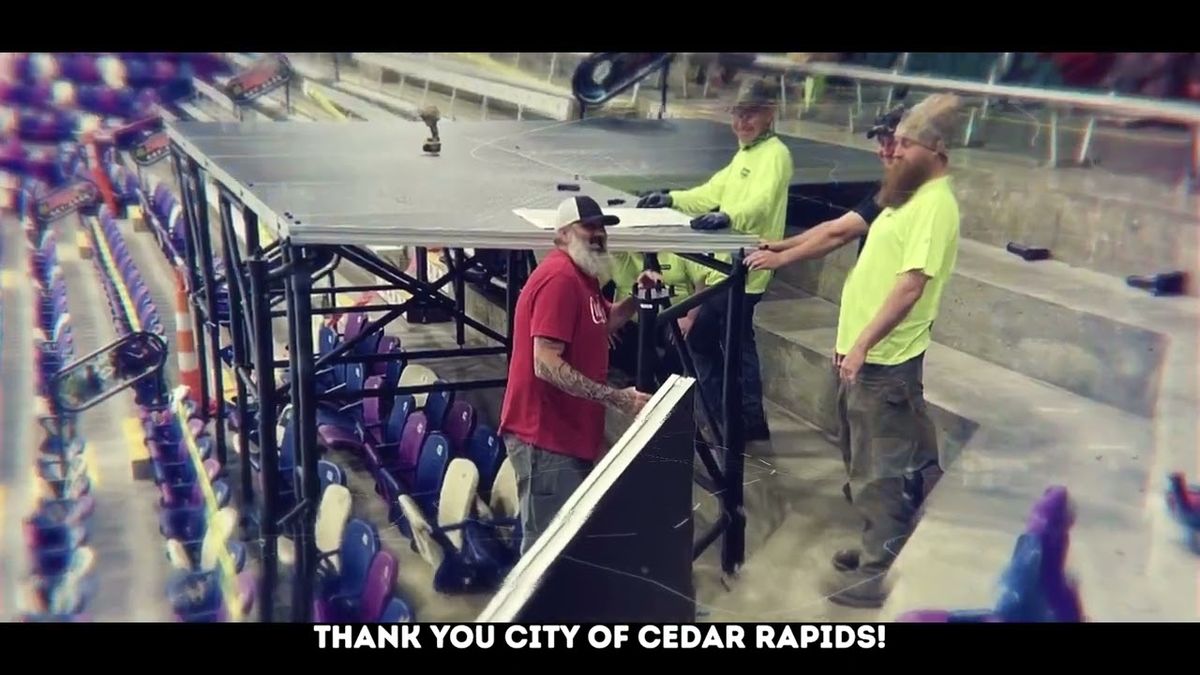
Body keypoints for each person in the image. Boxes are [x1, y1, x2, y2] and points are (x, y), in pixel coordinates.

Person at [746, 92, 962, 608]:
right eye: (890, 144)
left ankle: (877, 568)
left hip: (884, 361)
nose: (889, 152)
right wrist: (784, 250)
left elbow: (911, 286)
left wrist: (863, 343)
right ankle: (878, 542)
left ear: (933, 150)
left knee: (877, 469)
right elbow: (839, 230)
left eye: (901, 144)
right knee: (864, 459)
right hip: (865, 357)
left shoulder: (934, 204)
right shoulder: (902, 195)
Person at [637, 78, 793, 441]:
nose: (742, 122)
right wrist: (671, 198)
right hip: (727, 269)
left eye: (750, 114)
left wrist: (728, 218)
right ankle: (730, 415)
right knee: (717, 343)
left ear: (770, 113)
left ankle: (741, 419)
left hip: (746, 271)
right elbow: (711, 191)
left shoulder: (776, 155)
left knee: (729, 344)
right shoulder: (745, 154)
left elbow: (762, 203)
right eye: (738, 115)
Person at [499, 195, 657, 553]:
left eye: (602, 228)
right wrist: (618, 398)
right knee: (545, 551)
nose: (599, 234)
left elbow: (604, 323)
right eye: (589, 227)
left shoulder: (582, 278)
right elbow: (546, 362)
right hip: (545, 437)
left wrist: (635, 297)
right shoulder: (559, 279)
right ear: (563, 235)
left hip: (567, 434)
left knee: (559, 541)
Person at [606, 251, 710, 385]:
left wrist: (690, 318)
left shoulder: (677, 250)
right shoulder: (618, 252)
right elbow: (592, 284)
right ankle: (636, 383)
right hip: (630, 319)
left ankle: (669, 383)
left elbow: (703, 284)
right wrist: (604, 320)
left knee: (678, 339)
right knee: (609, 342)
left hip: (672, 316)